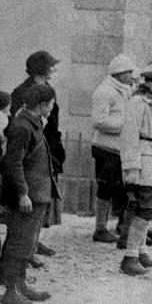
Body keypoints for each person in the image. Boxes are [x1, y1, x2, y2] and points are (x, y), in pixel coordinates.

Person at [1, 84, 60, 302]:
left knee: (27, 242)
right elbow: (13, 163)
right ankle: (10, 291)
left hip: (37, 194)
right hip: (28, 196)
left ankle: (20, 284)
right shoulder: (23, 127)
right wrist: (23, 193)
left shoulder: (32, 124)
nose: (52, 108)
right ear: (42, 105)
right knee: (18, 242)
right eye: (51, 104)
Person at [117, 62, 152, 276]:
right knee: (145, 208)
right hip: (144, 161)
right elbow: (129, 136)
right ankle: (129, 256)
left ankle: (141, 251)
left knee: (149, 206)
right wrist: (131, 168)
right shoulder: (138, 102)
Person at [9, 51, 65, 264]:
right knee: (32, 203)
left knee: (43, 200)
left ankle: (34, 240)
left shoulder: (49, 91)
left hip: (47, 147)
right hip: (33, 150)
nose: (54, 70)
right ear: (42, 69)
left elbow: (53, 123)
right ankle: (26, 250)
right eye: (51, 66)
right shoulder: (22, 92)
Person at [90, 54, 137, 245]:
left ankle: (122, 225)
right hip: (106, 148)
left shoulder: (123, 90)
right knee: (106, 187)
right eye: (129, 72)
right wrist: (125, 125)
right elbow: (99, 121)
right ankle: (100, 228)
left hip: (119, 149)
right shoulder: (104, 92)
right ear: (119, 73)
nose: (132, 76)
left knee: (121, 188)